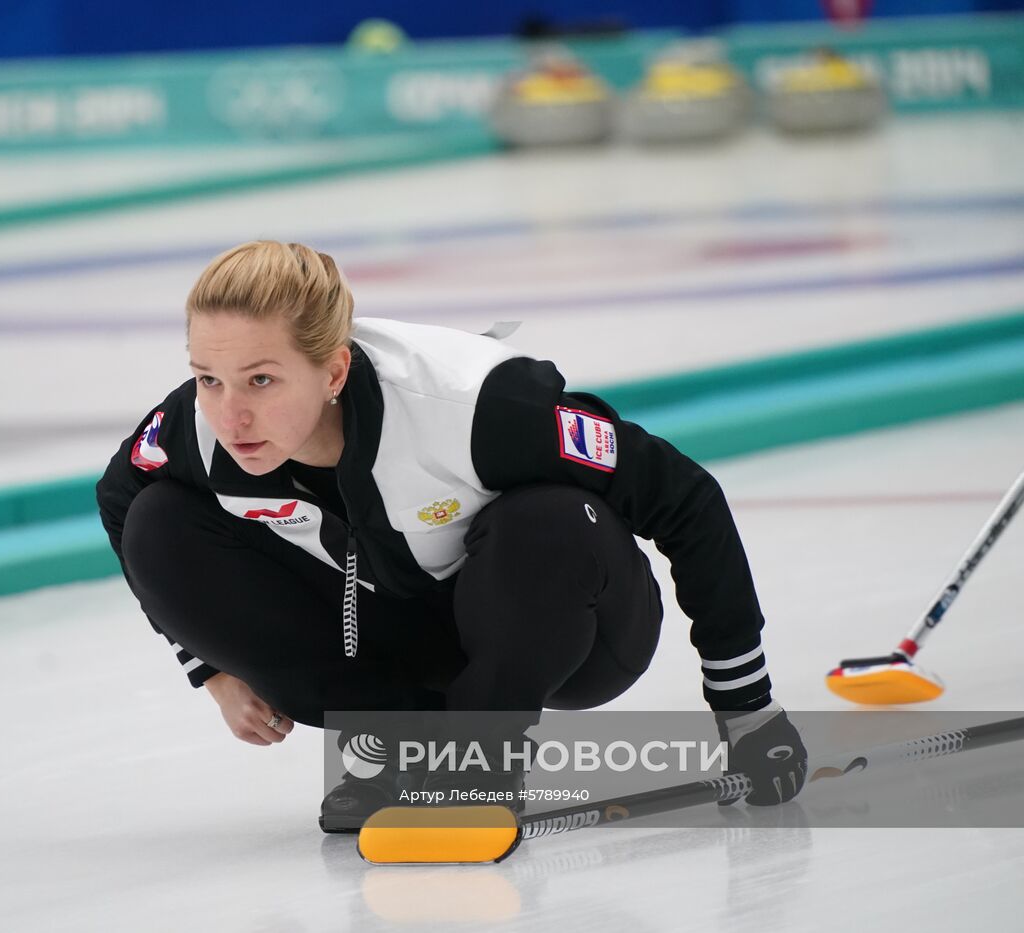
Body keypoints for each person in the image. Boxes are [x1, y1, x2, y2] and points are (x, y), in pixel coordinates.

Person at [96, 240, 806, 832]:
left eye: (260, 380)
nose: (230, 414)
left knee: (546, 518)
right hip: (405, 629)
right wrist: (209, 669)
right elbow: (121, 500)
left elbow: (686, 497)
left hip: (577, 635)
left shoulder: (477, 409)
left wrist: (745, 704)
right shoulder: (196, 425)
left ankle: (482, 755)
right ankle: (404, 747)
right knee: (160, 525)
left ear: (335, 368)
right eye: (208, 378)